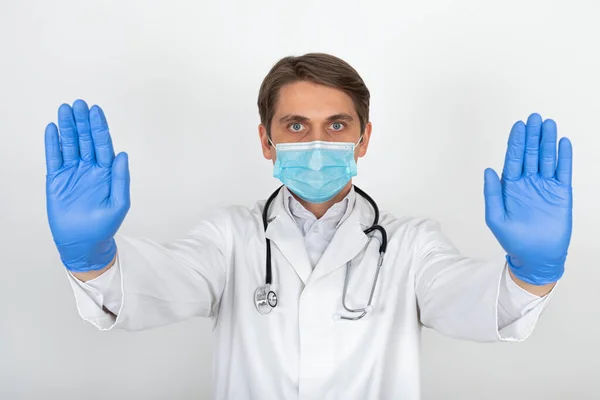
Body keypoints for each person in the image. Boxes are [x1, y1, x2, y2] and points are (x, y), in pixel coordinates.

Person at [44, 53, 573, 400]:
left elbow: (474, 302)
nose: (316, 143)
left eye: (336, 125)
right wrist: (93, 256)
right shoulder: (230, 237)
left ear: (363, 139)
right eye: (296, 126)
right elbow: (160, 285)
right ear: (266, 141)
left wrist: (531, 270)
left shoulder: (411, 244)